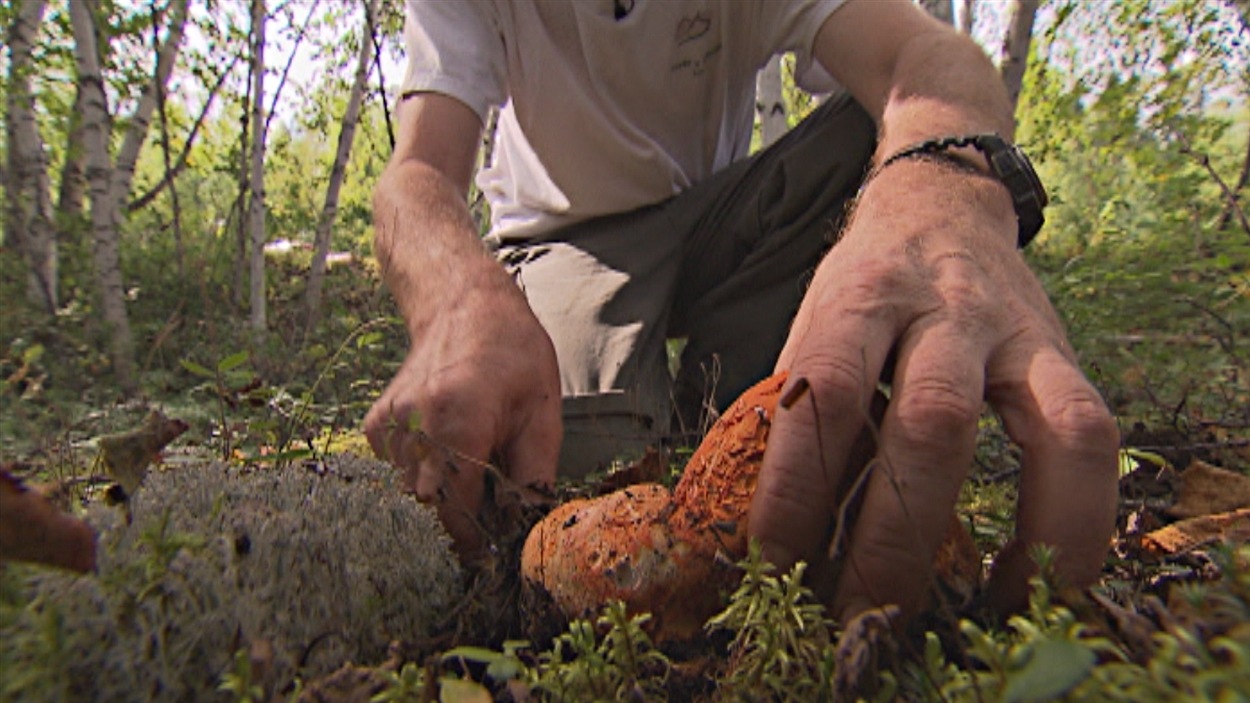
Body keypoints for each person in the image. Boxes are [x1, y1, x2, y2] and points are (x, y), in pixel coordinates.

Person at [364, 0, 1120, 621]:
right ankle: (704, 467)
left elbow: (921, 58)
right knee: (580, 502)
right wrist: (460, 298)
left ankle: (744, 428)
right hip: (567, 237)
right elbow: (420, 171)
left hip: (725, 223)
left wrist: (944, 202)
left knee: (894, 131)